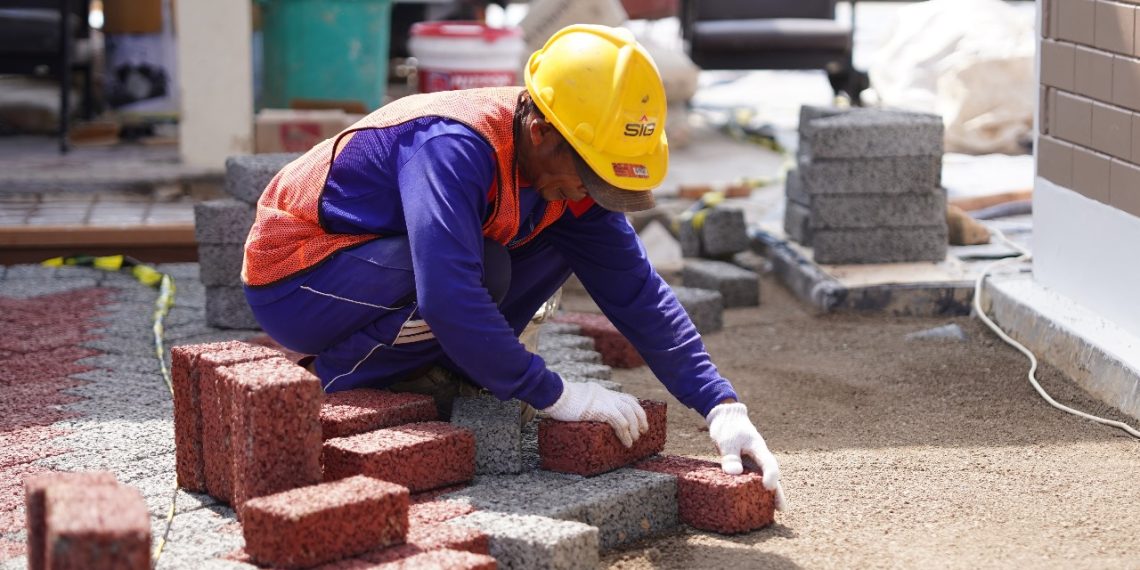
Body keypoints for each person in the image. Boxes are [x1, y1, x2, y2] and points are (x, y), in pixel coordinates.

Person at [242, 24, 785, 509]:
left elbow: (636, 293)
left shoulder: (566, 179)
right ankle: (332, 378)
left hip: (375, 265)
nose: (586, 192)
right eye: (587, 175)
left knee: (550, 242)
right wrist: (555, 394)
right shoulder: (453, 144)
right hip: (296, 275)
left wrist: (721, 407)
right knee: (476, 271)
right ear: (542, 131)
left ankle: (450, 370)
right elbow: (448, 295)